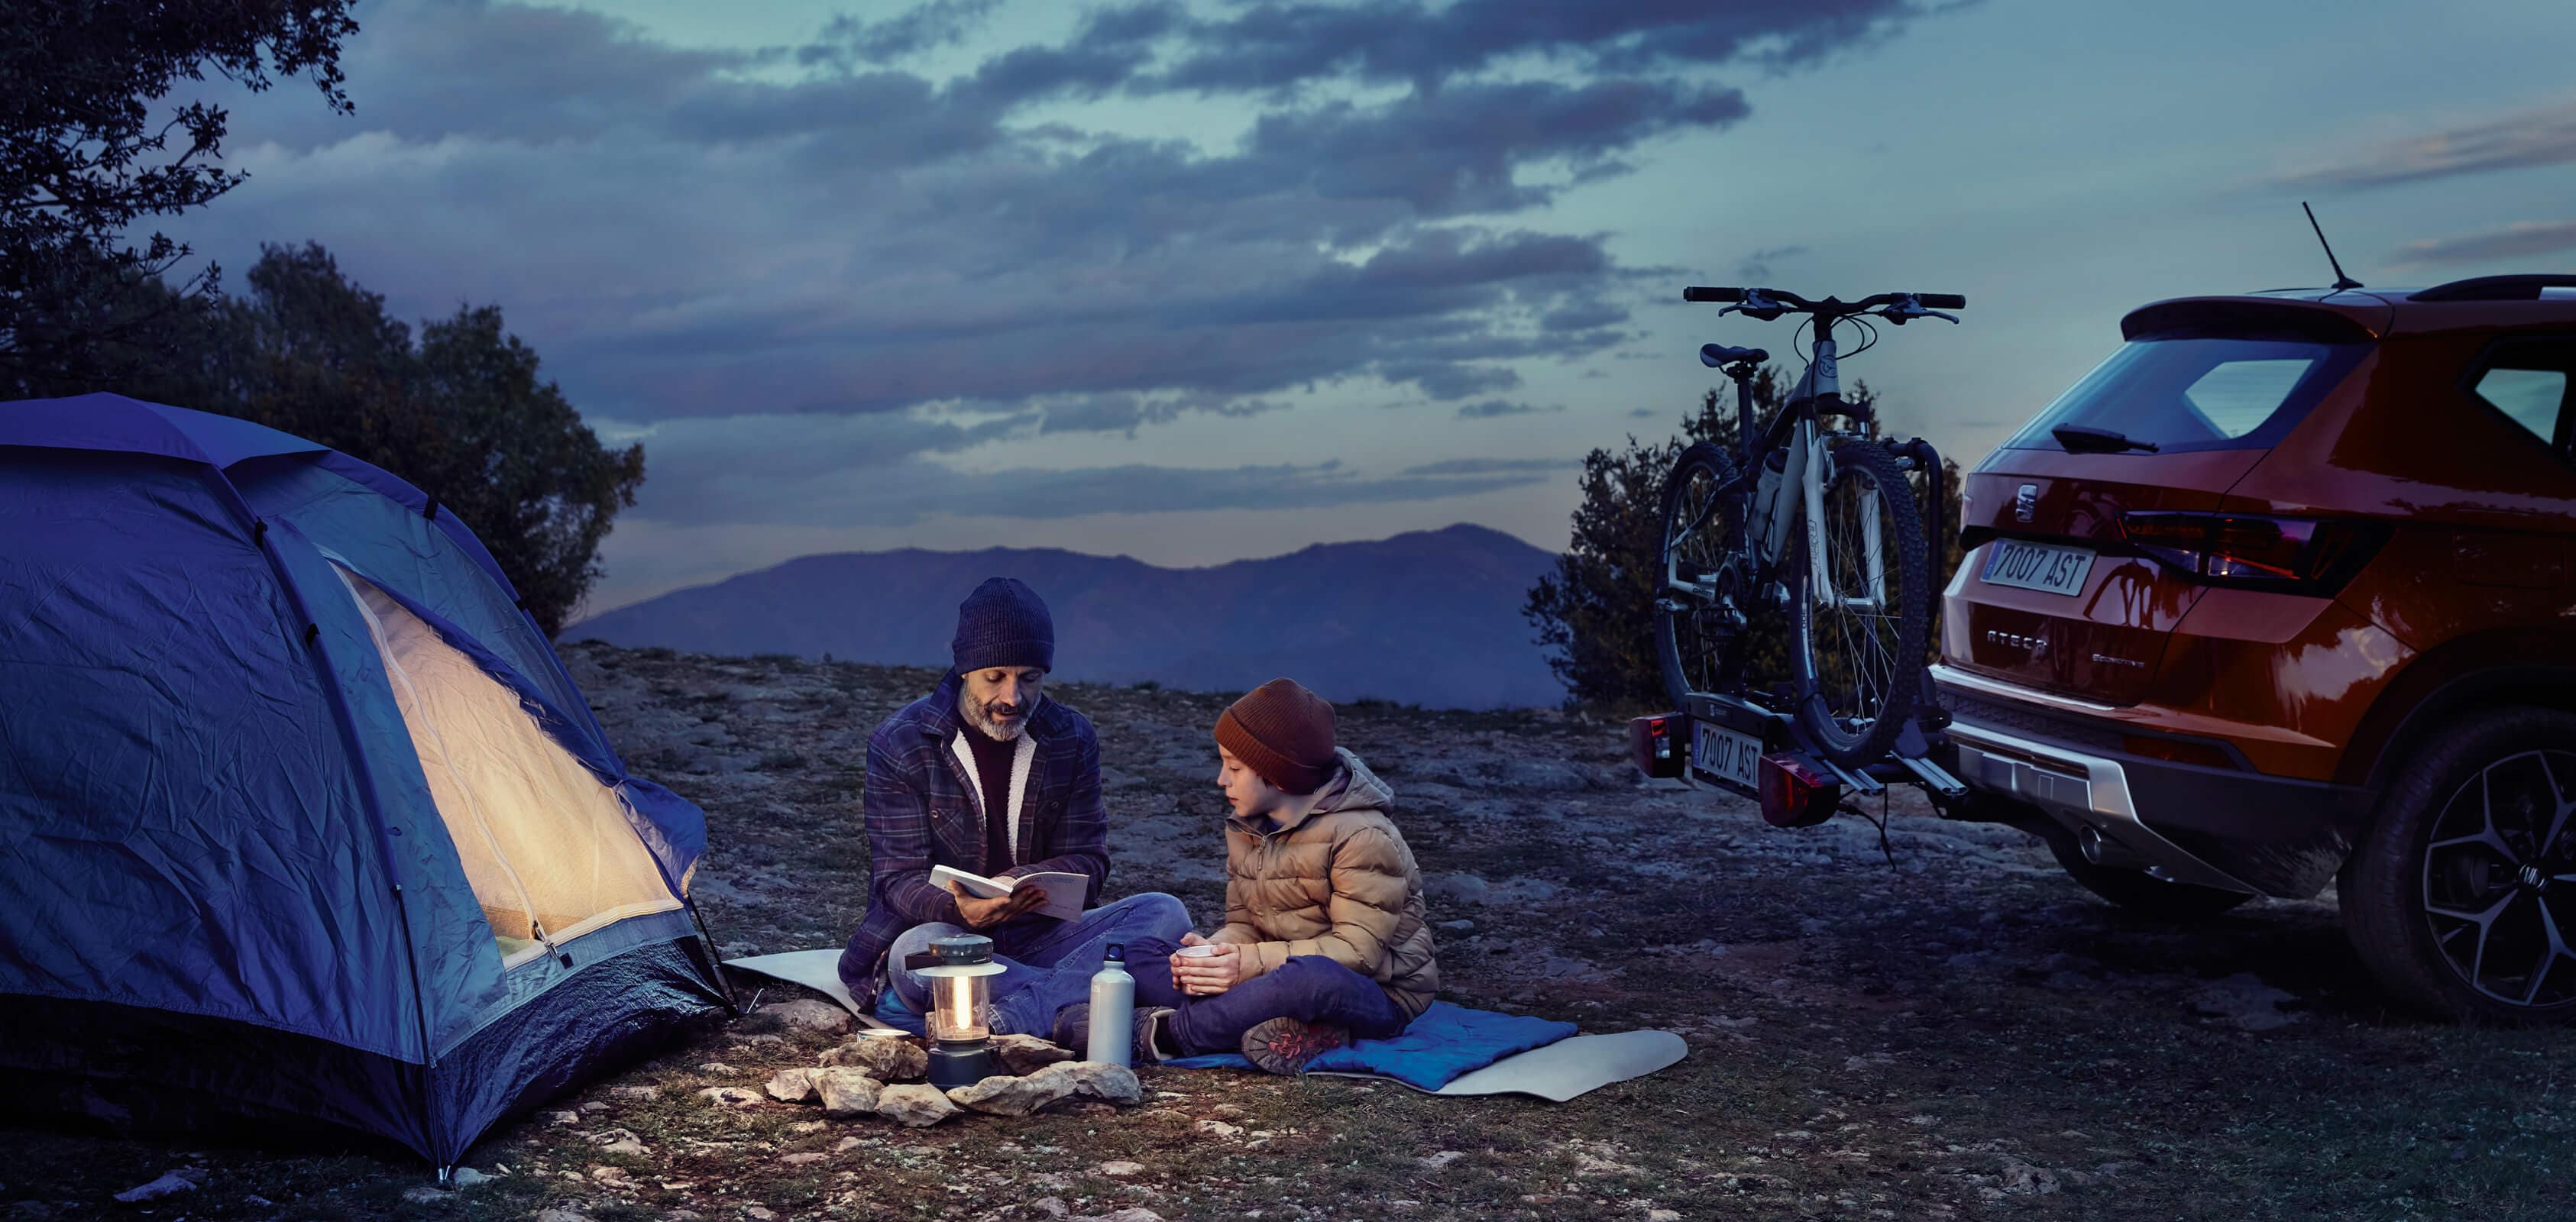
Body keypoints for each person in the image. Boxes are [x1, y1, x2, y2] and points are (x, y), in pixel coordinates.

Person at [837, 577, 1190, 1034]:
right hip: (950, 937)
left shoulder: (1071, 737)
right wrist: (959, 910)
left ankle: (1025, 1015)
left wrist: (1017, 884)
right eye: (995, 677)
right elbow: (897, 879)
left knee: (1164, 913)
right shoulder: (902, 741)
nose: (1012, 697)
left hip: (1045, 935)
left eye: (1029, 678)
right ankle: (1096, 1006)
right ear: (965, 670)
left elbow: (1090, 859)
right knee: (916, 956)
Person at [1054, 677, 1437, 1073]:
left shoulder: (1363, 836)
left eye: (1235, 767)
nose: (1222, 779)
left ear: (1281, 774)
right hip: (1270, 972)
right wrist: (1216, 952)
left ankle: (1164, 1035)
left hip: (1374, 993)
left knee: (1310, 981)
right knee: (1137, 953)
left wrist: (1245, 964)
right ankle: (1284, 1026)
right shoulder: (1248, 826)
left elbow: (1359, 953)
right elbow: (1244, 923)